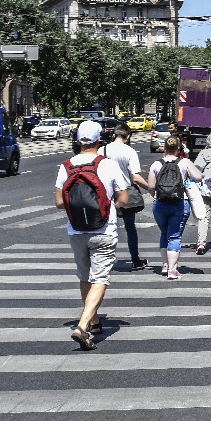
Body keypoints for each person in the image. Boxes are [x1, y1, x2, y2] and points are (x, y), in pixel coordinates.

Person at [55, 120, 129, 350]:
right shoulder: (107, 164)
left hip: (75, 230)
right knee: (100, 278)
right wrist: (110, 206)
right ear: (99, 140)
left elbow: (59, 202)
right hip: (103, 229)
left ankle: (94, 320)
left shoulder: (66, 166)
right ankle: (83, 324)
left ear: (78, 140)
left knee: (84, 275)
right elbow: (123, 199)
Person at [146, 135, 202, 279]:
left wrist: (156, 195)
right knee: (175, 236)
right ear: (179, 148)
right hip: (179, 202)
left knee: (164, 233)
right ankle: (172, 269)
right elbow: (198, 177)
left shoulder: (156, 164)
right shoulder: (184, 162)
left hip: (160, 203)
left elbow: (151, 186)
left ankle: (165, 265)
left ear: (164, 147)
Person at [101, 126, 149, 270]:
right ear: (128, 137)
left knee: (106, 228)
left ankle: (103, 260)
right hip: (125, 193)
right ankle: (135, 260)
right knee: (130, 228)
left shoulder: (102, 151)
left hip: (107, 194)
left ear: (114, 135)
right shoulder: (129, 151)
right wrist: (150, 188)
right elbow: (135, 177)